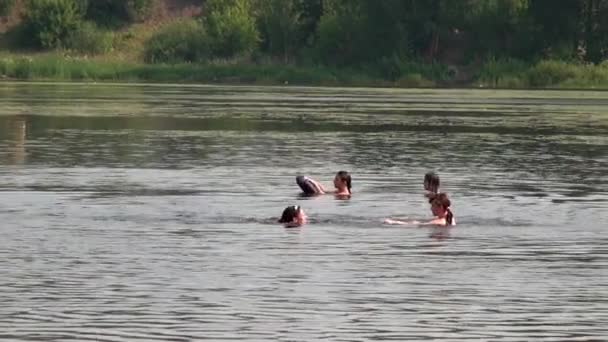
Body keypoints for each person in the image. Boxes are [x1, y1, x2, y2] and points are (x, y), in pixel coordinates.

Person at [384, 193, 455, 227]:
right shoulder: (449, 214)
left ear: (441, 207)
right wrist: (435, 196)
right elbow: (446, 203)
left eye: (433, 206)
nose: (431, 208)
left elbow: (418, 224)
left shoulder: (439, 222)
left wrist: (394, 222)